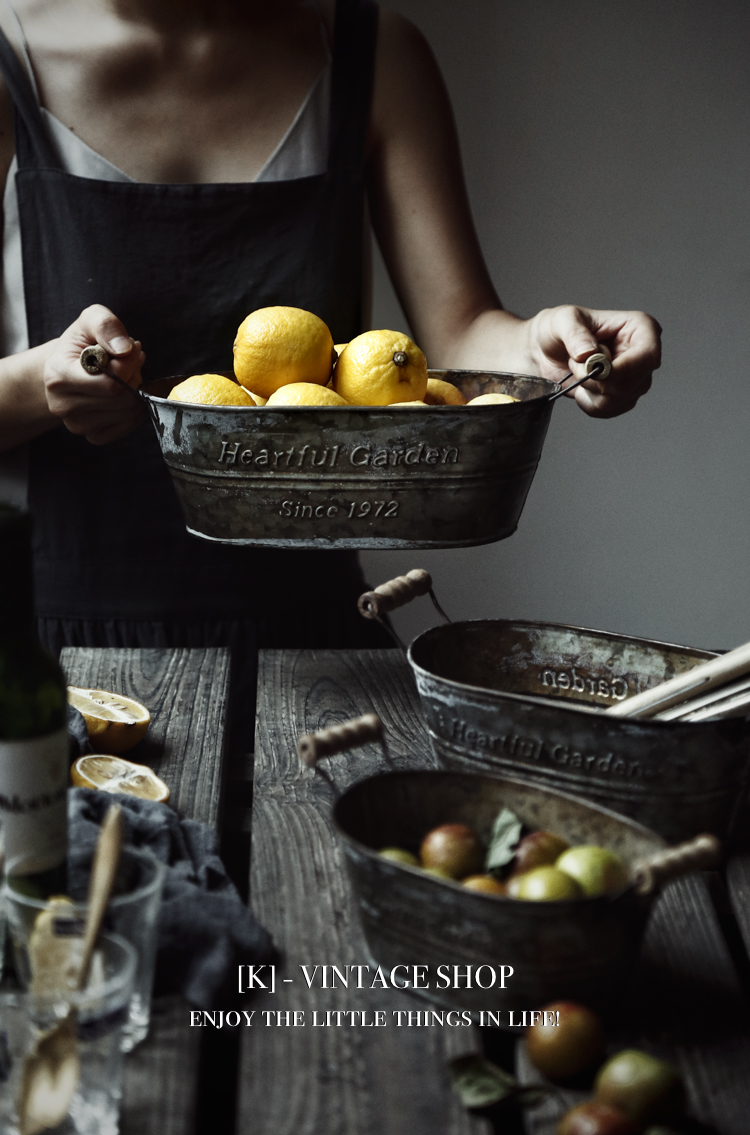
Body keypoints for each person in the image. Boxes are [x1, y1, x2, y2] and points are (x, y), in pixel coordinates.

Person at [0, 0, 660, 751]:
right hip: (52, 658)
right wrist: (39, 382)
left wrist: (543, 351)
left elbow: (458, 335)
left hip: (318, 652)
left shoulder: (372, 56)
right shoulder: (8, 55)